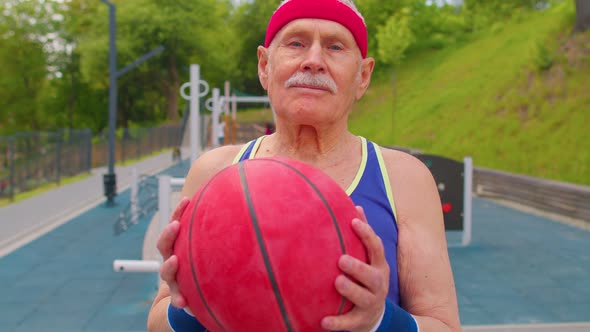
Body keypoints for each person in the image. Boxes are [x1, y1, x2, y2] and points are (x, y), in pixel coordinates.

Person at [147, 0, 461, 331]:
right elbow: (157, 323)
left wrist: (379, 321)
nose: (313, 61)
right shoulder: (214, 171)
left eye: (335, 46)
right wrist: (192, 307)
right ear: (264, 65)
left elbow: (445, 325)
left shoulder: (404, 178)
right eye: (296, 43)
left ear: (363, 76)